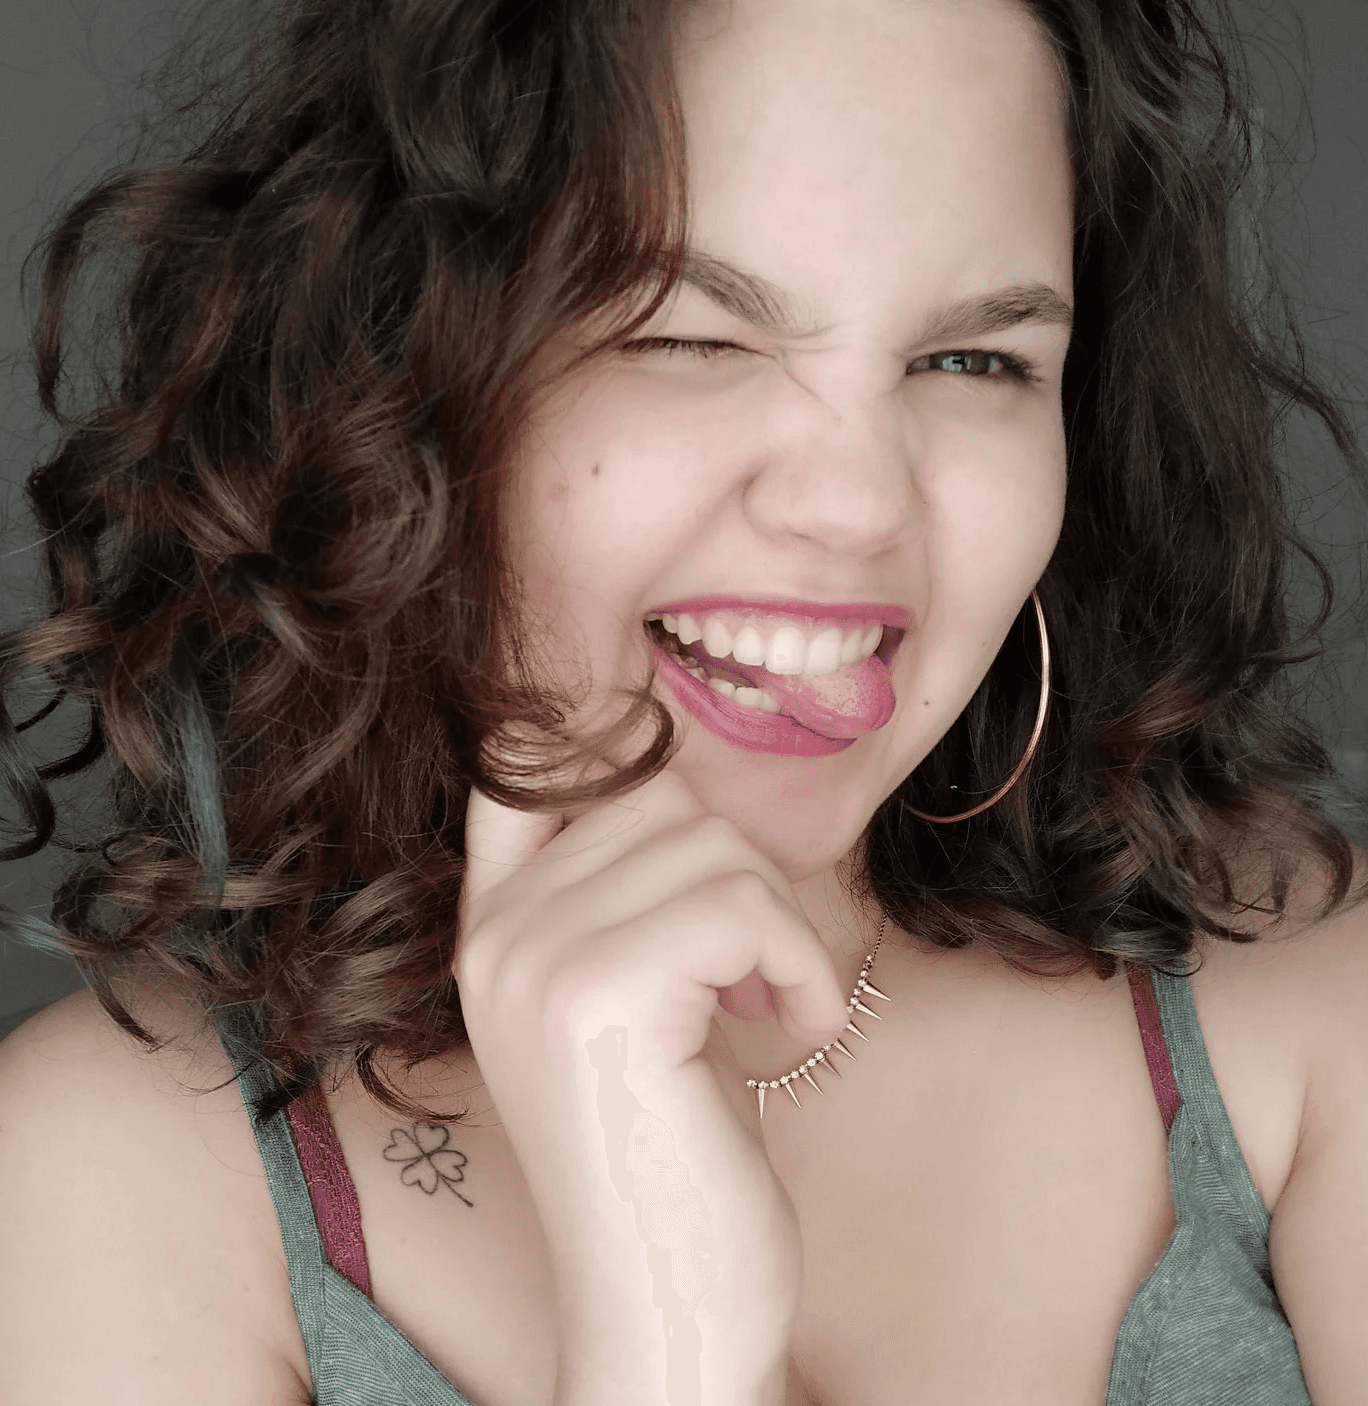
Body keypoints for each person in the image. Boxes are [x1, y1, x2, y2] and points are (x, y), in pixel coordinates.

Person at [0, 0, 1364, 1402]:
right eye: (691, 336)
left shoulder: (1313, 998)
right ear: (396, 372)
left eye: (976, 360)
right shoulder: (113, 1181)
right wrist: (673, 1349)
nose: (858, 504)